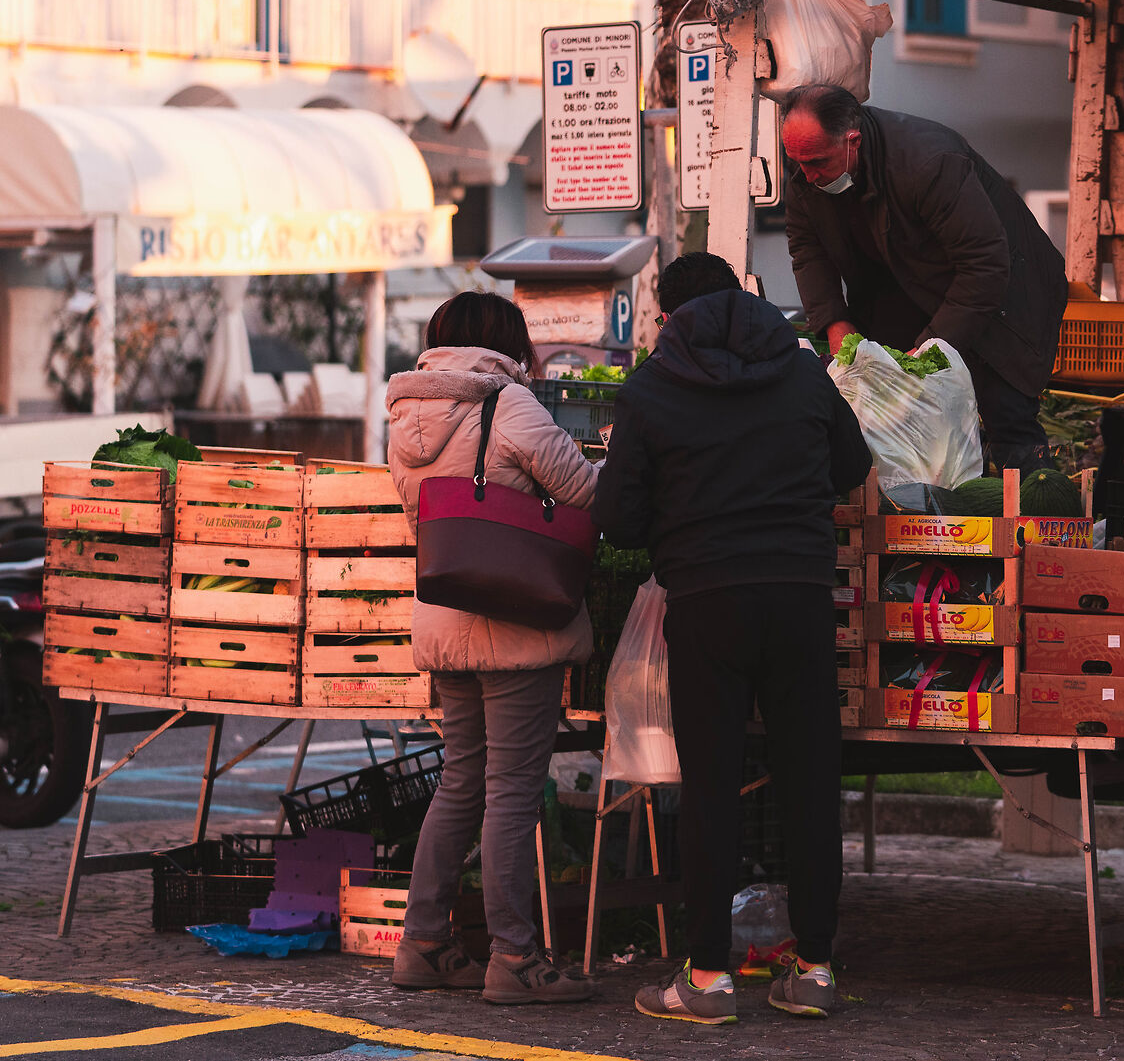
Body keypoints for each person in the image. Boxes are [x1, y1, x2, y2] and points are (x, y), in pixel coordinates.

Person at [592, 250, 872, 1025]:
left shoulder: (653, 387)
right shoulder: (801, 369)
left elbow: (617, 516)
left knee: (712, 786)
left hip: (707, 601)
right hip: (801, 596)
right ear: (744, 298)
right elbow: (852, 464)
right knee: (810, 781)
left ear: (669, 313)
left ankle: (708, 977)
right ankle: (814, 965)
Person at [385, 291, 598, 1005]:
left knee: (460, 780)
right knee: (510, 790)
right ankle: (515, 955)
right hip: (515, 624)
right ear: (506, 341)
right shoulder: (506, 403)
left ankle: (423, 941)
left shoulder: (405, 415)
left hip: (446, 617)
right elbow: (581, 490)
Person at [779, 83, 1065, 469]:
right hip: (903, 293)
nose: (807, 175)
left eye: (817, 162)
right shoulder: (806, 172)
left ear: (853, 141)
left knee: (1008, 421)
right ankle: (920, 521)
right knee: (902, 430)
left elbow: (985, 264)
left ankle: (1035, 522)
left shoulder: (929, 160)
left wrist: (930, 348)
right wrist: (835, 322)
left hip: (1001, 300)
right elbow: (807, 249)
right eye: (797, 161)